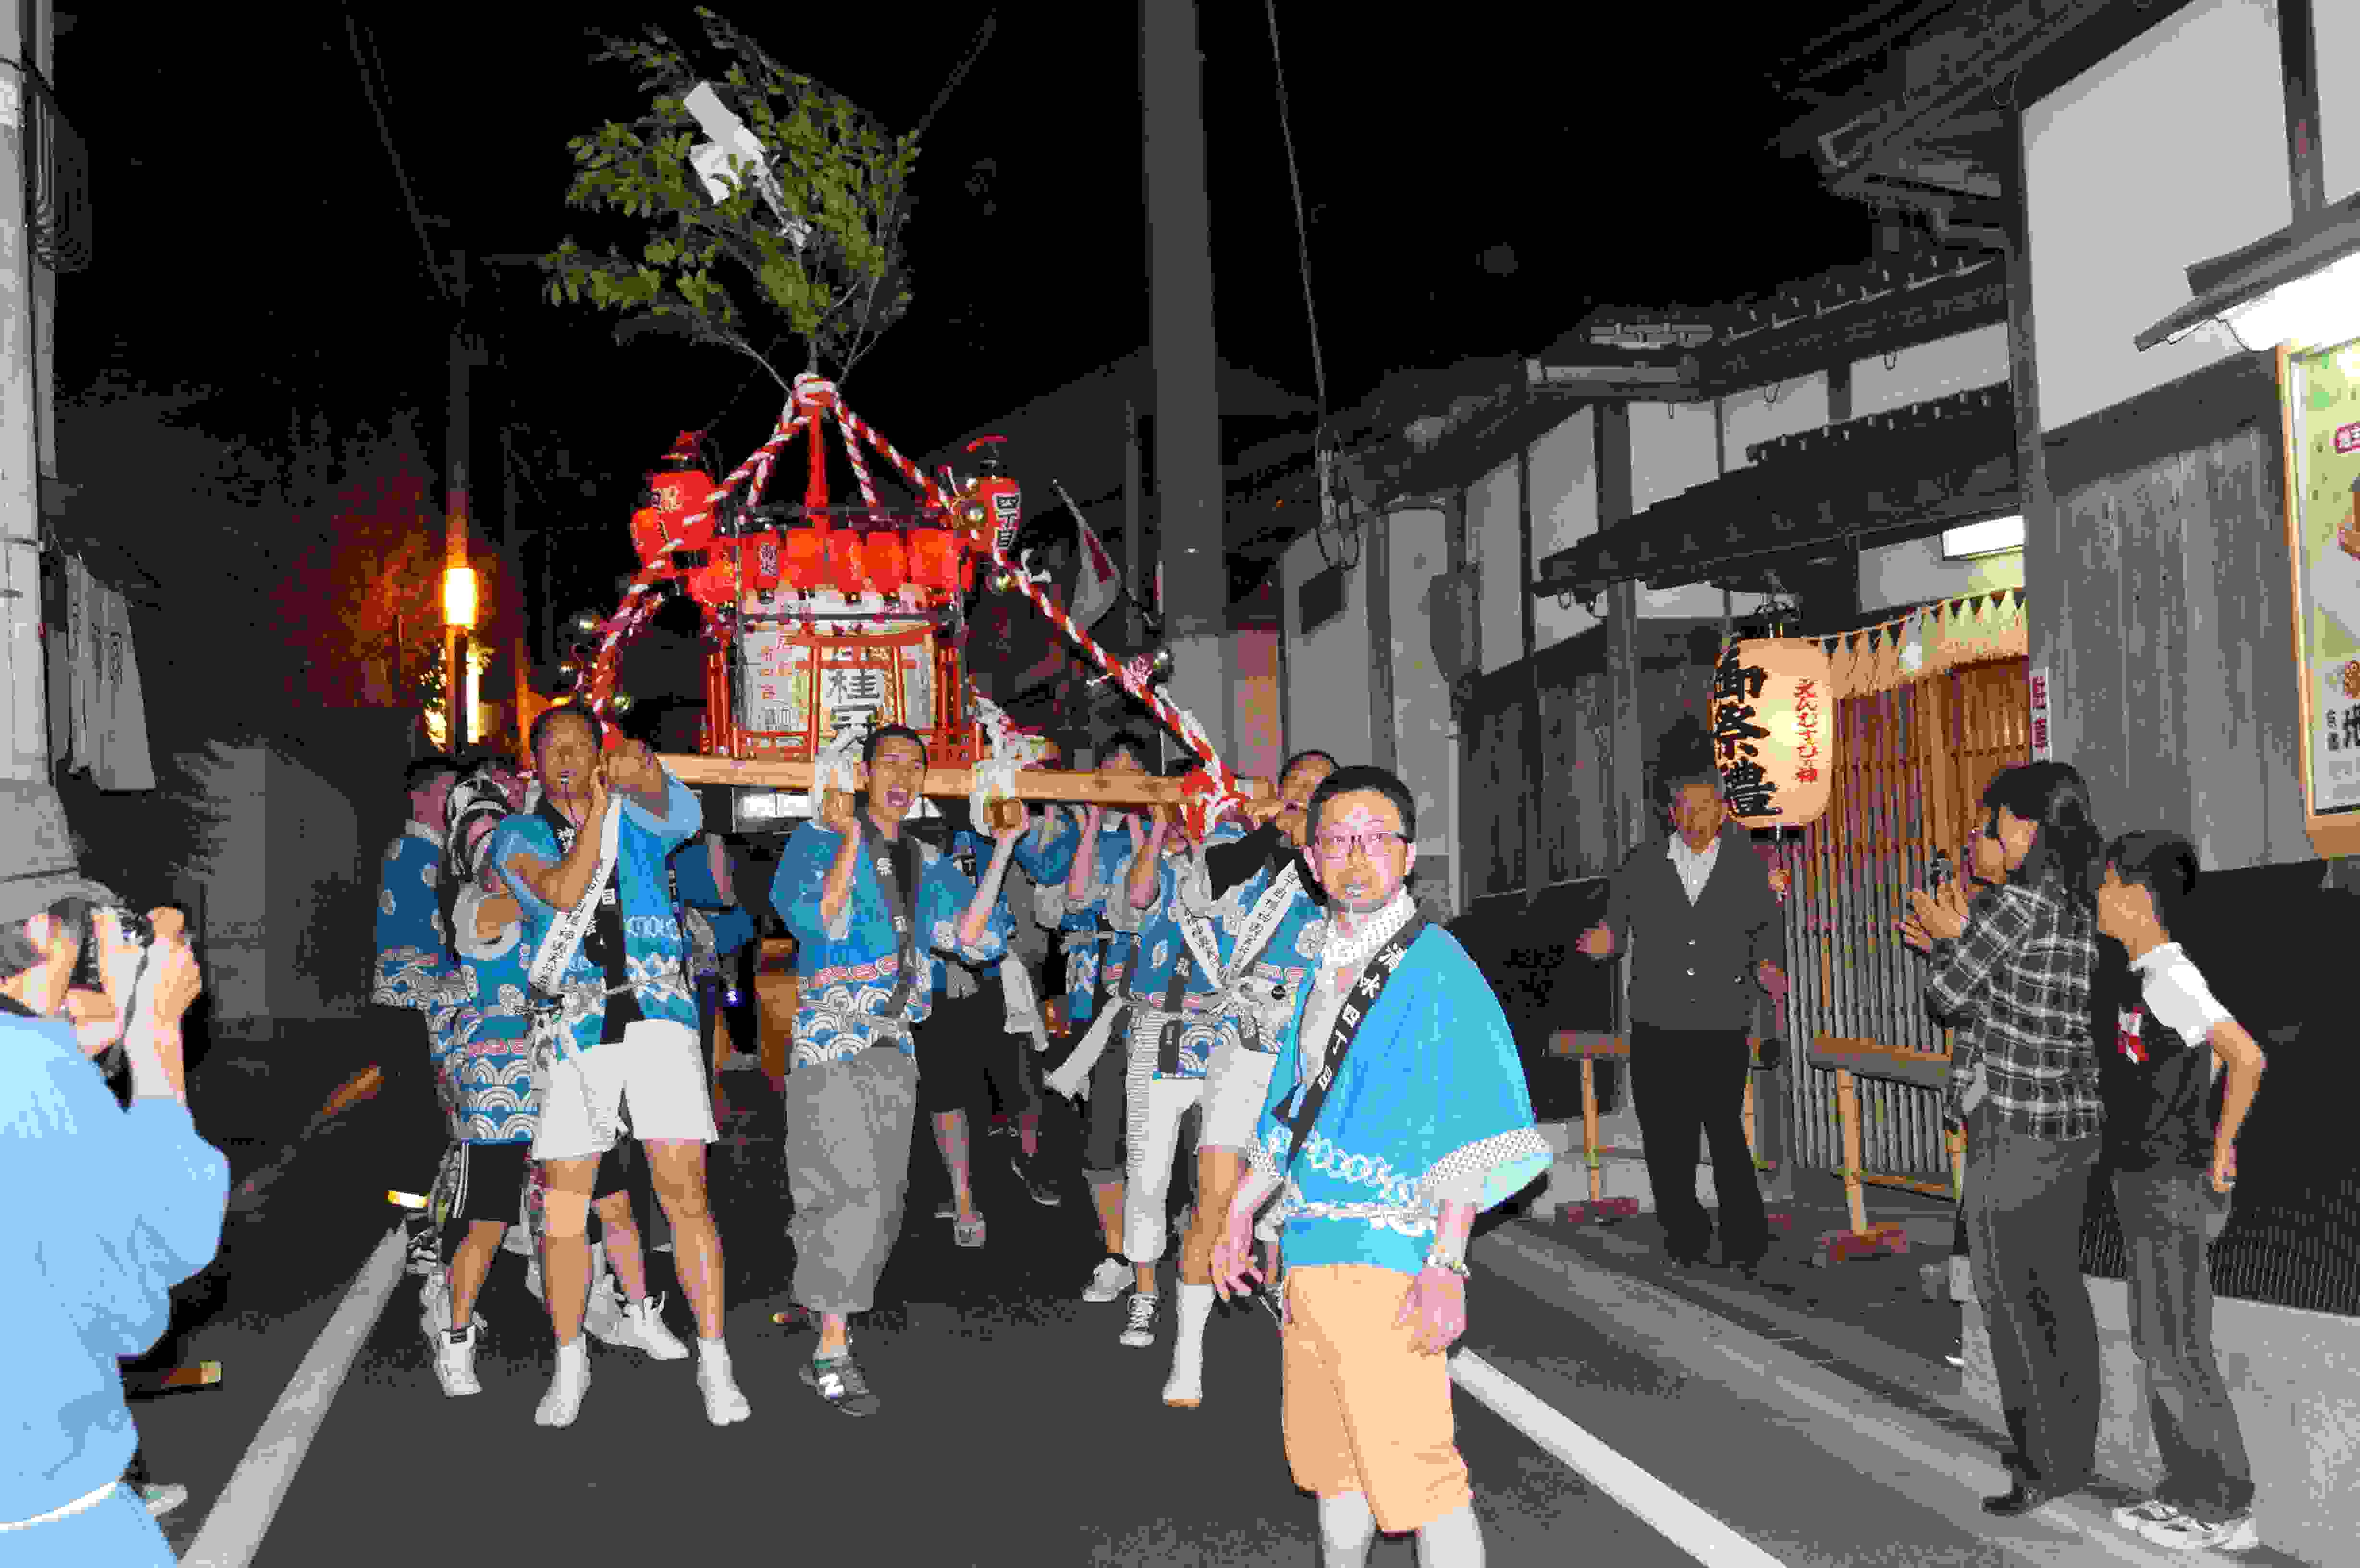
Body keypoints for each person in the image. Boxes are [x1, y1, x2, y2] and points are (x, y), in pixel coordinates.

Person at [1210, 764, 1551, 1568]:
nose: (1354, 856)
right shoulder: (1319, 968)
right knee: (1334, 1470)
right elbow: (1290, 1111)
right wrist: (1237, 1213)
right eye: (1335, 839)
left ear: (1407, 856)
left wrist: (1445, 1261)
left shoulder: (1437, 969)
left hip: (1389, 1255)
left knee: (1422, 1479)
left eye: (1374, 839)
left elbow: (1466, 1125)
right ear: (1310, 860)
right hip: (1309, 1253)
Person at [490, 705, 746, 1429]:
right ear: (535, 765)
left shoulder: (634, 811)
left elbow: (684, 814)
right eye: (553, 750)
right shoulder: (517, 834)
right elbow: (563, 892)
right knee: (566, 1210)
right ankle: (569, 1366)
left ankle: (716, 1361)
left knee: (685, 1193)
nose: (568, 759)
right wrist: (605, 804)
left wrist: (646, 772)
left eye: (581, 746)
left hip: (659, 1015)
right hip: (575, 1029)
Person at [768, 724, 1019, 1416]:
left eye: (916, 765)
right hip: (831, 1036)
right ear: (865, 773)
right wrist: (848, 831)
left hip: (897, 1042)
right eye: (890, 763)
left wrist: (1002, 849)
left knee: (882, 1196)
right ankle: (831, 1349)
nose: (903, 774)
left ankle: (819, 1298)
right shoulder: (815, 841)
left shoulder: (926, 859)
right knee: (850, 1189)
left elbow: (973, 938)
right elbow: (821, 919)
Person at [424, 757, 688, 1398]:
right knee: (487, 1218)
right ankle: (455, 1338)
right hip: (502, 1084)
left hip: (569, 1062)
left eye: (504, 833)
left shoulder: (548, 886)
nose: (497, 846)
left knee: (614, 1202)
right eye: (482, 838)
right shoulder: (476, 907)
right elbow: (555, 894)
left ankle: (635, 1310)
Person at [1899, 760, 2107, 1517]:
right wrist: (1957, 938)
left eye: (1990, 826)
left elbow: (1947, 998)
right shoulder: (2087, 904)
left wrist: (1951, 938)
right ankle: (2074, 1454)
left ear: (2022, 829)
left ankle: (2036, 1462)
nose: (1982, 840)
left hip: (2014, 1127)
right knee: (2059, 1290)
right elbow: (2017, 1001)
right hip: (2077, 1126)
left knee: (2006, 1293)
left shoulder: (2008, 908)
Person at [2, 881, 223, 1564]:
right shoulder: (31, 1071)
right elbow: (147, 1283)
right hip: (42, 1509)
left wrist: (77, 1053)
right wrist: (154, 1039)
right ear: (44, 932)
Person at [2090, 832, 2265, 1553]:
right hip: (2144, 1182)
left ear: (2137, 895)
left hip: (2173, 1184)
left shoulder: (2169, 976)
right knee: (2158, 1342)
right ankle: (2189, 1491)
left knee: (2178, 1347)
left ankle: (2226, 1505)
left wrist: (2222, 1145)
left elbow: (2246, 1057)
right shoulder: (2138, 974)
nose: (2097, 896)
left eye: (2107, 884)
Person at [1160, 747, 1335, 1408]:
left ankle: (1312, 1351)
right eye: (1295, 783)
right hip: (1244, 1042)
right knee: (1214, 1196)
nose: (1304, 793)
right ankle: (1187, 1357)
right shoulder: (1245, 843)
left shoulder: (1338, 860)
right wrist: (1272, 827)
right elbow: (1207, 887)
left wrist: (1307, 840)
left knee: (1313, 1204)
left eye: (1319, 786)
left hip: (1315, 1050)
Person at [1576, 770, 1788, 1272]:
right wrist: (1602, 944)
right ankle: (1685, 1234)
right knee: (1665, 1137)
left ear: (1722, 811)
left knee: (1723, 1129)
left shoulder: (1747, 866)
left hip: (1721, 1023)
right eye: (1685, 808)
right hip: (1656, 1022)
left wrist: (1768, 967)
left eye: (1706, 807)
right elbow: (1614, 929)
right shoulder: (1641, 865)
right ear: (1670, 812)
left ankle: (1746, 1238)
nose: (1695, 818)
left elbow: (1766, 930)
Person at [921, 803, 1071, 1237]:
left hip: (1003, 969)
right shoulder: (910, 842)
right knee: (949, 1091)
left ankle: (1027, 1158)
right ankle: (962, 1196)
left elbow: (1042, 872)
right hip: (939, 981)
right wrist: (948, 961)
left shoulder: (988, 833)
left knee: (1022, 1077)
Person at [1046, 734, 1155, 1304]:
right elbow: (1072, 898)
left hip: (1161, 992)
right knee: (1102, 1125)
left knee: (1159, 1125)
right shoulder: (1076, 833)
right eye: (1110, 771)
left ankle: (1158, 1241)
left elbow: (1149, 898)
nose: (1122, 782)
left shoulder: (1168, 830)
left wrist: (1146, 825)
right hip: (1095, 986)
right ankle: (1115, 1250)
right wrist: (1091, 823)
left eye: (1133, 772)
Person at [374, 754, 467, 1275]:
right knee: (418, 1123)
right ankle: (420, 1234)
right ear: (421, 796)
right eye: (447, 794)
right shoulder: (414, 854)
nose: (455, 806)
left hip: (423, 1005)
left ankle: (429, 1229)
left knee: (429, 1119)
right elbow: (429, 942)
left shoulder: (424, 854)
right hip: (413, 1006)